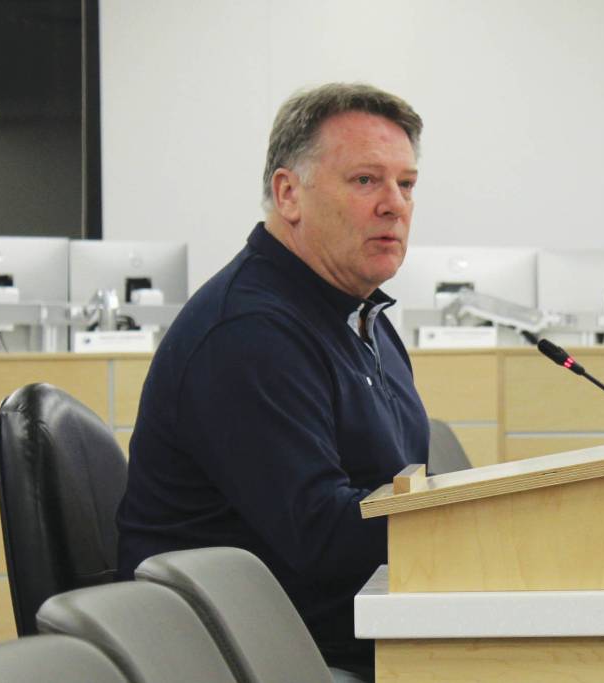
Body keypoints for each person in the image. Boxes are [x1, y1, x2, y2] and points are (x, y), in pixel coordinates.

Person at [116, 83, 430, 678]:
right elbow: (321, 538)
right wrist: (470, 521)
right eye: (366, 180)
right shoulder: (249, 332)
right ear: (289, 194)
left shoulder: (362, 319)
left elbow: (395, 489)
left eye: (406, 183)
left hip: (352, 636)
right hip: (254, 658)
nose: (394, 204)